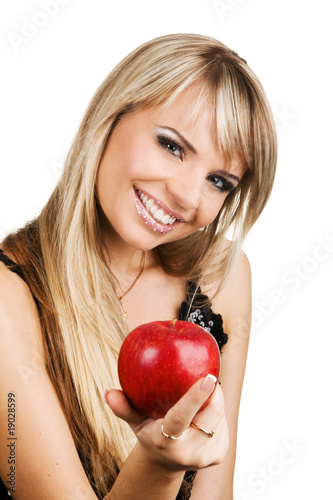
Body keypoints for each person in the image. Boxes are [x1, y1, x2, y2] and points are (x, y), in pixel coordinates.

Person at [0, 33, 277, 499]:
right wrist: (158, 465)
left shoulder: (220, 277)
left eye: (218, 181)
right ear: (111, 117)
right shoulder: (11, 297)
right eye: (172, 146)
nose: (189, 196)